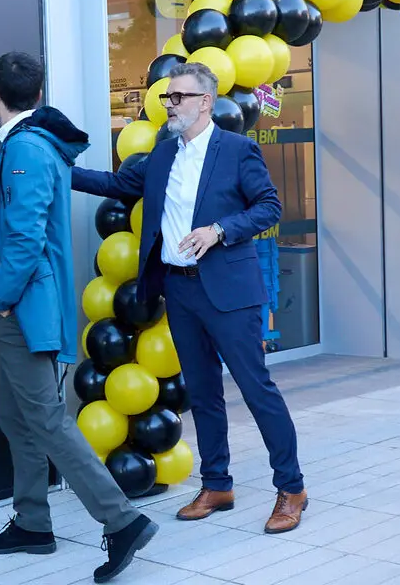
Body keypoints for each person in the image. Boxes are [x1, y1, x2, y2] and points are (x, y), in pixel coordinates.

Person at [0, 52, 157, 583]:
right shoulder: (28, 147)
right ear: (36, 95)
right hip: (27, 311)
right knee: (18, 419)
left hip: (25, 313)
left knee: (50, 423)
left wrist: (5, 297)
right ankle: (33, 523)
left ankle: (122, 521)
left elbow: (26, 237)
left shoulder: (27, 151)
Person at [72, 61, 307, 534]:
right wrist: (59, 170)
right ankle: (217, 483)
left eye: (177, 97)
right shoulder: (162, 155)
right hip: (179, 288)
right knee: (201, 393)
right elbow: (118, 185)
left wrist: (220, 229)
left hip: (230, 291)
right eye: (166, 98)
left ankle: (292, 489)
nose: (169, 105)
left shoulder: (237, 150)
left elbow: (269, 207)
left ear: (205, 102)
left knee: (257, 390)